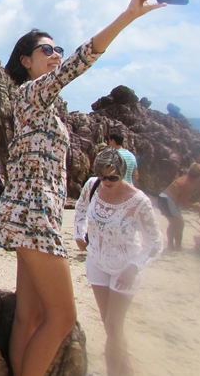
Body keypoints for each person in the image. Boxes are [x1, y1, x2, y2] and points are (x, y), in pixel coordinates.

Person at [0, 0, 166, 376]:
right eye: (47, 49)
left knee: (29, 318)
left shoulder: (40, 103)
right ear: (26, 60)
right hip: (35, 217)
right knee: (62, 318)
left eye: (58, 49)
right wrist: (128, 16)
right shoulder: (31, 93)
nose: (56, 55)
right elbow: (86, 58)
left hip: (30, 214)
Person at [73, 148, 163, 376]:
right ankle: (127, 371)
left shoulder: (138, 201)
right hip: (96, 261)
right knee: (109, 325)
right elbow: (81, 208)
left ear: (123, 173)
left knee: (114, 326)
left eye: (113, 177)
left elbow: (154, 242)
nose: (107, 181)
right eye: (103, 176)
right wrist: (78, 234)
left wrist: (135, 266)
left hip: (126, 267)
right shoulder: (93, 186)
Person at [157, 163, 200, 251]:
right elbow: (182, 202)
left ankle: (171, 245)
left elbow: (179, 201)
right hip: (168, 200)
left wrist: (190, 206)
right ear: (199, 177)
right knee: (180, 224)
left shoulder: (184, 178)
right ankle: (178, 246)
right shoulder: (189, 185)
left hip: (163, 198)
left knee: (174, 224)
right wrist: (194, 206)